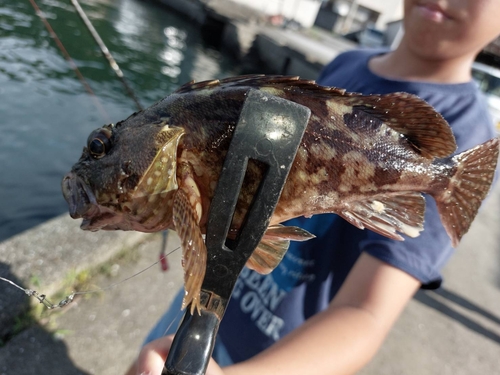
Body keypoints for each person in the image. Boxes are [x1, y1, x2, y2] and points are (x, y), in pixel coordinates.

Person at [126, 1, 500, 374]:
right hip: (210, 298)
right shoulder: (348, 62)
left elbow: (365, 313)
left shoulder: (468, 128)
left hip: (278, 357)